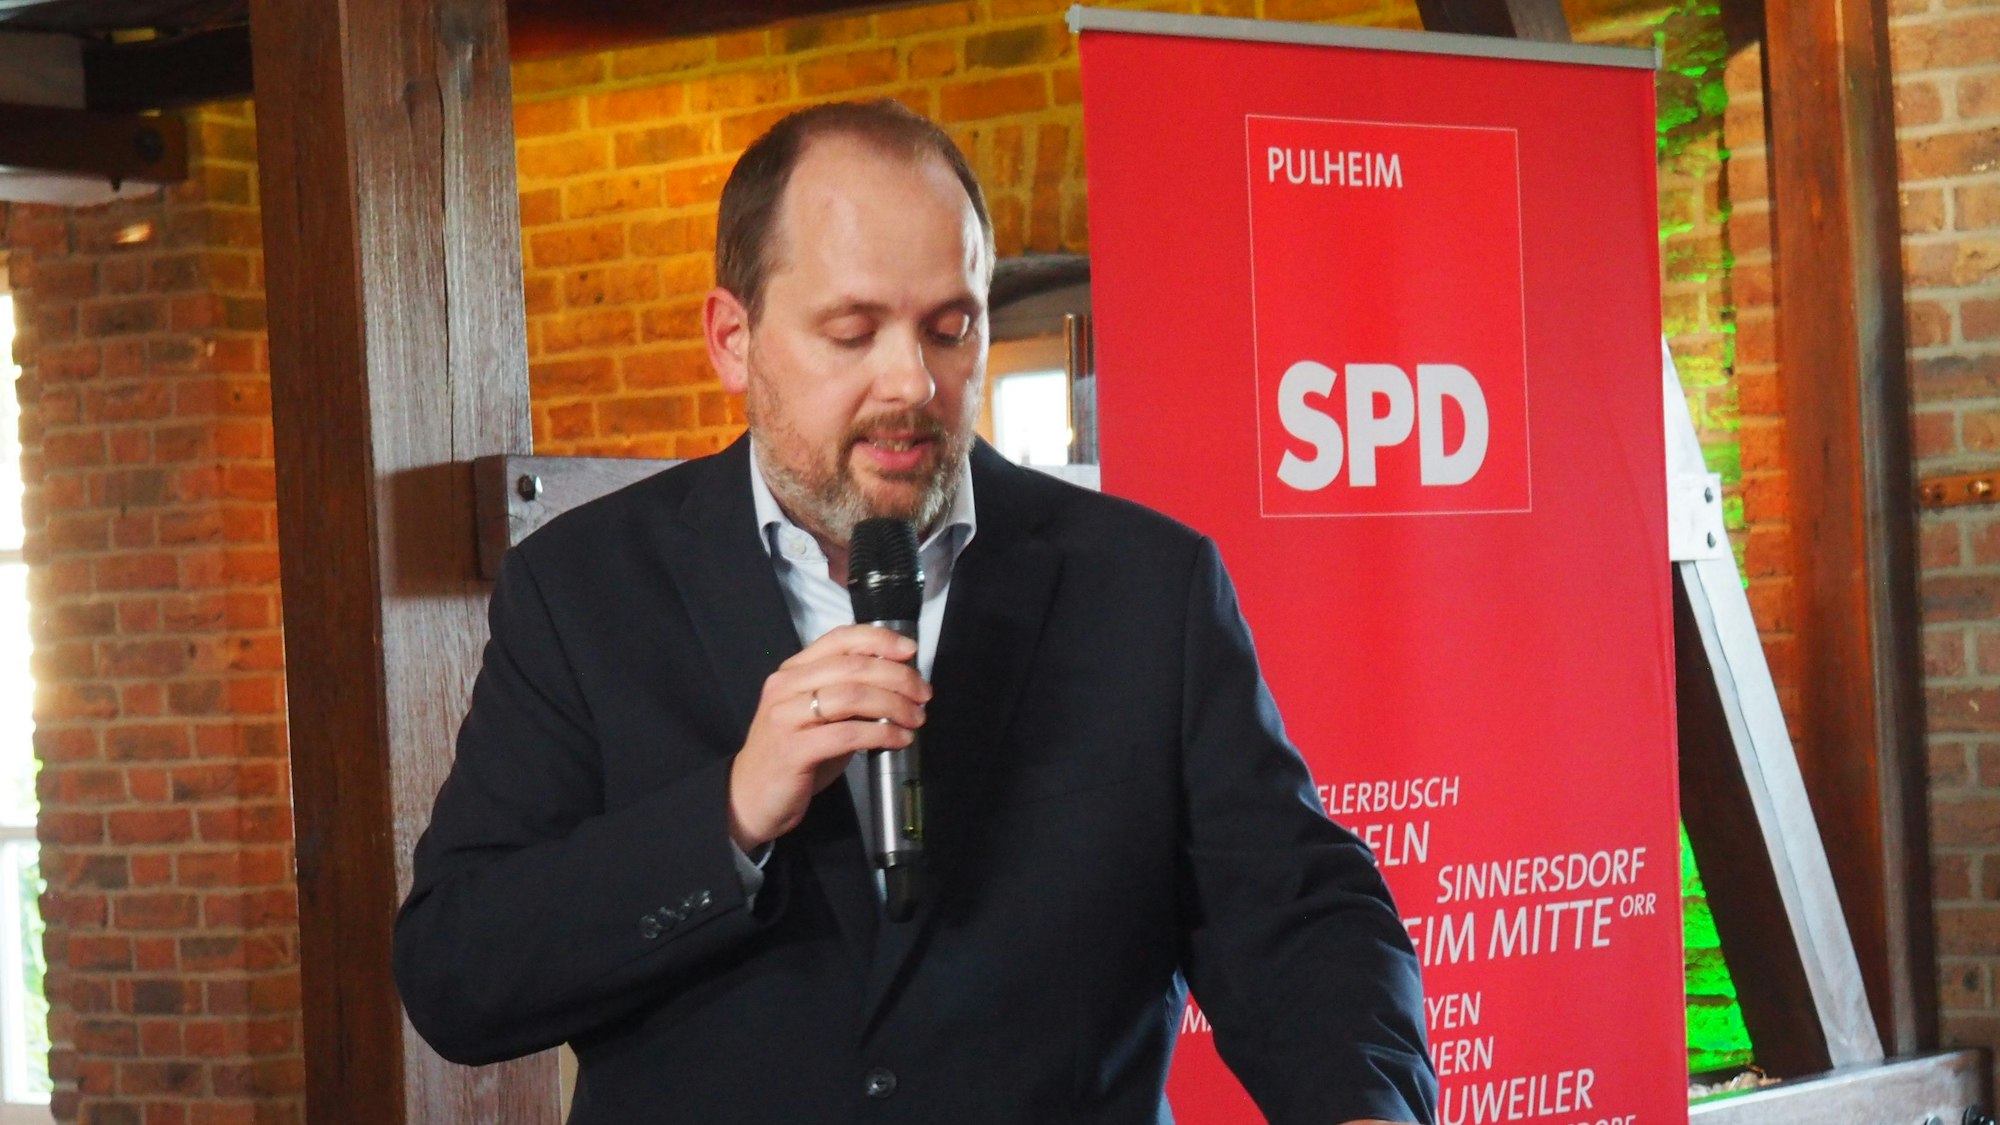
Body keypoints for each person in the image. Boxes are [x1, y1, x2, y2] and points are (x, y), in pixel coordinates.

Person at [393, 99, 1436, 1125]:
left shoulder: (1145, 587)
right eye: (852, 332)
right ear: (731, 338)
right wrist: (728, 814)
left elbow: (1295, 914)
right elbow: (459, 973)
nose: (911, 382)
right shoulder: (584, 590)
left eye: (949, 329)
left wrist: (1362, 1106)